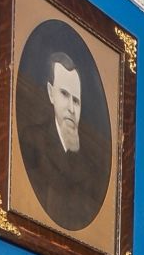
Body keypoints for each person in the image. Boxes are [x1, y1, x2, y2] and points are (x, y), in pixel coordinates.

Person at [14, 24, 112, 233]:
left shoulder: (91, 167)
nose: (71, 108)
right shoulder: (32, 139)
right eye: (64, 95)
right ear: (51, 94)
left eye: (76, 101)